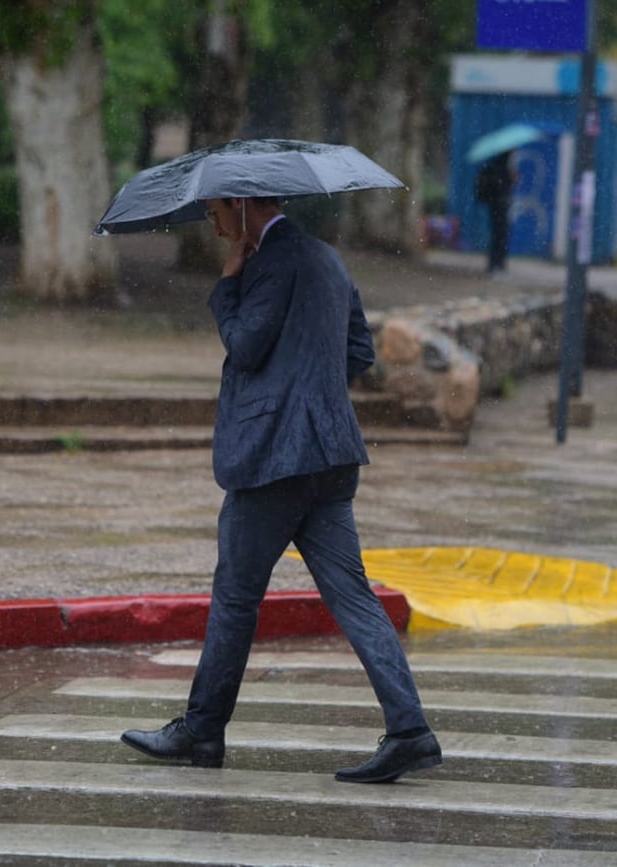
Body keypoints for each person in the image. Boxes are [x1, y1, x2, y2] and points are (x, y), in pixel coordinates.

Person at [120, 195, 441, 785]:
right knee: (354, 596)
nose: (214, 225)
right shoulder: (327, 258)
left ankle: (201, 730)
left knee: (235, 599)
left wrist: (228, 285)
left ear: (242, 203)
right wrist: (310, 386)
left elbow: (245, 346)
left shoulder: (267, 264)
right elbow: (359, 352)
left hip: (275, 459)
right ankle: (410, 730)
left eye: (215, 212)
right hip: (330, 457)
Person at [475, 151, 516, 273]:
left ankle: (495, 264)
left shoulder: (494, 167)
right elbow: (502, 188)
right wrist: (511, 178)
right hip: (500, 208)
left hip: (495, 208)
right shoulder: (502, 170)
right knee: (500, 236)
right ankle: (497, 264)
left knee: (497, 236)